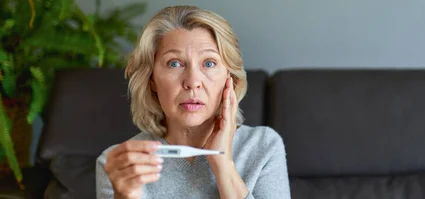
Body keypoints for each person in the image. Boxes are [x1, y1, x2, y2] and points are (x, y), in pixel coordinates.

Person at [95, 5, 291, 199]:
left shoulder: (263, 146)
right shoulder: (120, 164)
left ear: (230, 79)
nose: (192, 82)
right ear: (151, 79)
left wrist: (223, 165)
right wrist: (124, 195)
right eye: (174, 63)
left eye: (209, 63)